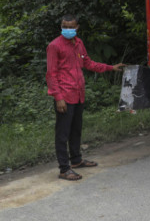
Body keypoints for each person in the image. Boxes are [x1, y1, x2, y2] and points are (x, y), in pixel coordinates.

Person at [46, 14, 126, 181]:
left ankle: (76, 160)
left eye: (71, 27)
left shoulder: (78, 43)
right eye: (64, 26)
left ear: (77, 27)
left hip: (78, 94)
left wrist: (110, 68)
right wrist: (58, 97)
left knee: (76, 130)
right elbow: (51, 74)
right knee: (62, 133)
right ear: (61, 27)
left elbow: (88, 63)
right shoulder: (54, 46)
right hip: (65, 95)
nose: (68, 29)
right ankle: (64, 169)